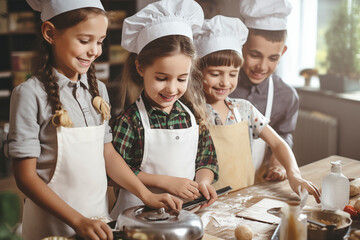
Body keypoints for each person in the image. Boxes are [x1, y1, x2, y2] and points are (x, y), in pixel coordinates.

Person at [7, 1, 182, 239]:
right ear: (50, 33)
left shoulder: (97, 89)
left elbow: (107, 153)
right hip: (51, 226)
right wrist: (78, 220)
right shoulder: (30, 94)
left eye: (99, 41)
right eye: (84, 40)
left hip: (97, 220)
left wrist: (146, 195)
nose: (95, 51)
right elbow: (25, 178)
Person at [193, 15, 321, 202]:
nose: (225, 82)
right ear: (198, 71)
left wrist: (294, 175)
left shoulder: (245, 110)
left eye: (233, 74)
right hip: (202, 201)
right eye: (215, 74)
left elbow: (278, 143)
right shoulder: (190, 112)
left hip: (243, 199)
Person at [110, 0, 219, 219]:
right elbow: (113, 175)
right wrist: (165, 182)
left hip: (185, 216)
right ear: (141, 67)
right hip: (136, 219)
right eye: (161, 78)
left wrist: (203, 183)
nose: (171, 88)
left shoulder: (194, 116)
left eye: (181, 79)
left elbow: (207, 160)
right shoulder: (130, 120)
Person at [230, 0, 298, 182]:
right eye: (255, 55)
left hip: (257, 184)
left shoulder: (286, 96)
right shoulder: (221, 86)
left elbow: (283, 135)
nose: (262, 66)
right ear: (241, 46)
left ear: (283, 52)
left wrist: (278, 161)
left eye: (273, 58)